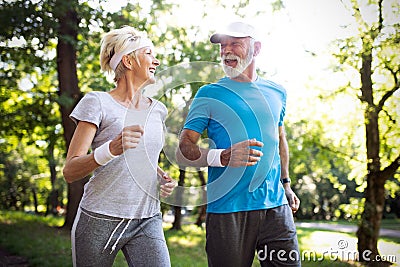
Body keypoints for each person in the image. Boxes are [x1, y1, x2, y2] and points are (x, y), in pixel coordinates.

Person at [177, 21, 301, 266]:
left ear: (256, 48)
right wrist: (221, 157)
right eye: (223, 45)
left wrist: (286, 183)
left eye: (234, 43)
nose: (226, 50)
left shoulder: (277, 92)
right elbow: (184, 149)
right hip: (227, 209)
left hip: (275, 207)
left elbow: (280, 139)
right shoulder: (209, 93)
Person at [63, 26, 176, 267]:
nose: (156, 60)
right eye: (149, 53)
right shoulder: (97, 102)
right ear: (128, 59)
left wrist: (160, 177)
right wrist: (111, 149)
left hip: (148, 217)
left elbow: (142, 157)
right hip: (100, 217)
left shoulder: (158, 110)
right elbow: (70, 171)